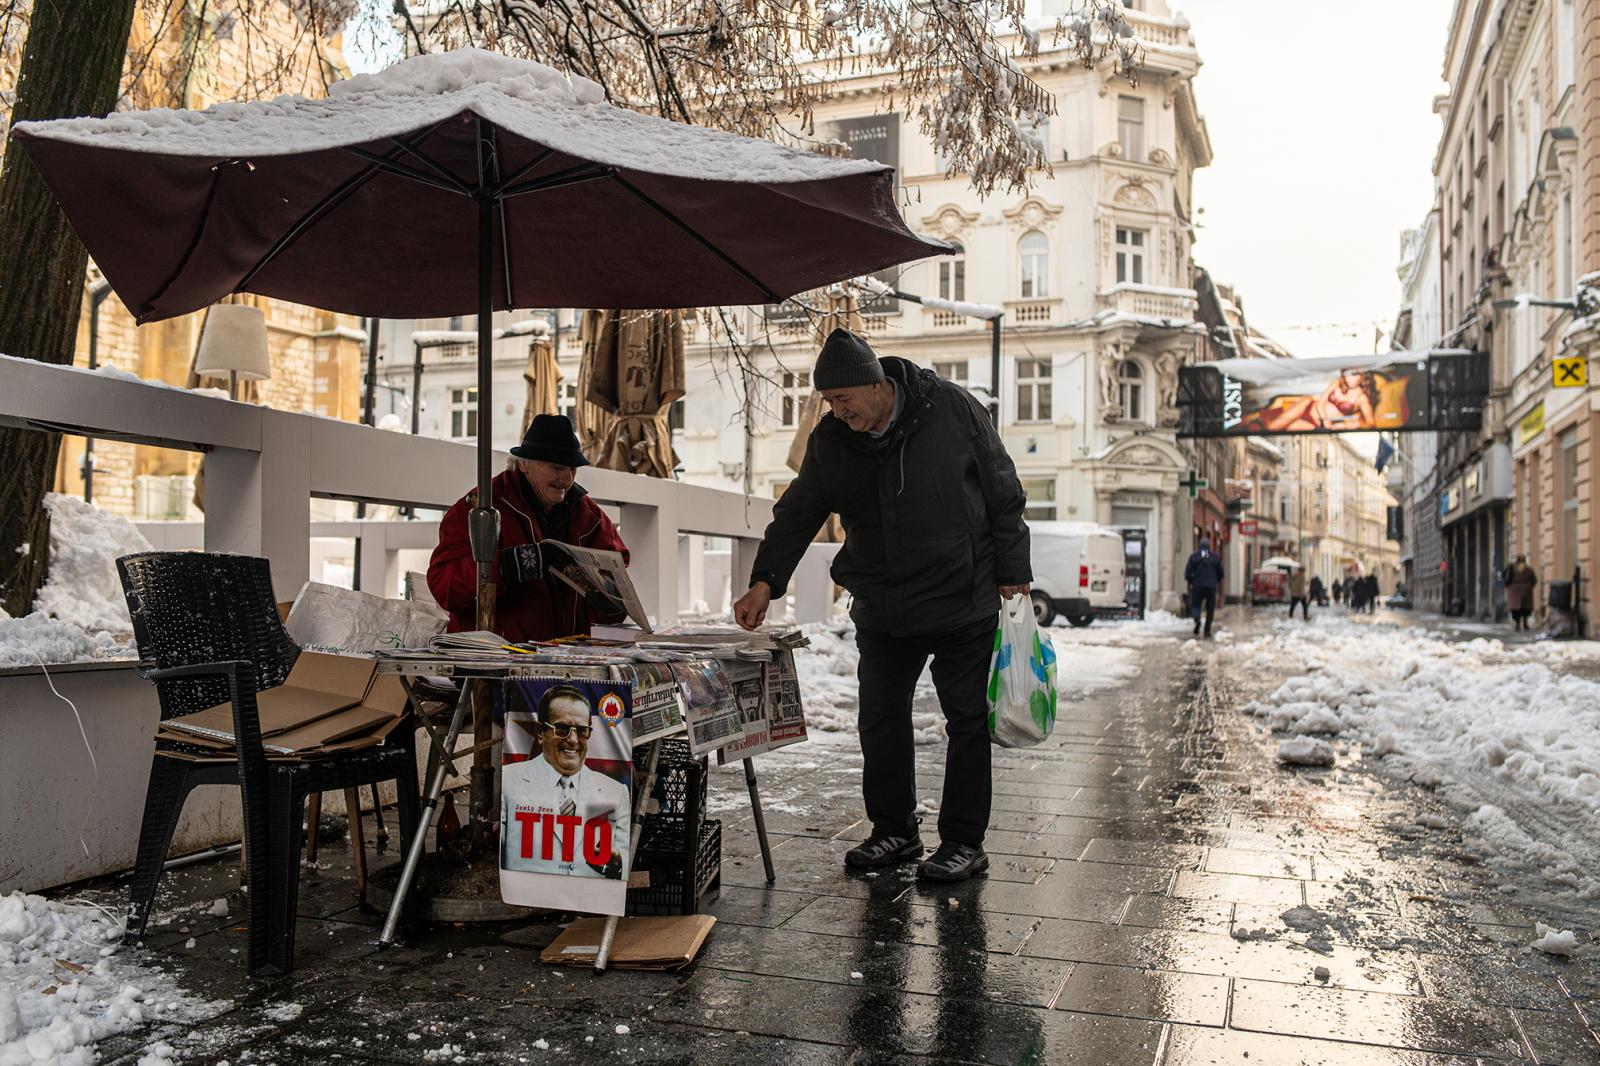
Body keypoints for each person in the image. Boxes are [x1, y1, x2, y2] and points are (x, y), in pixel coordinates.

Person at [730, 328, 1030, 884]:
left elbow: (1004, 492)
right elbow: (799, 511)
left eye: (844, 400)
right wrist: (766, 580)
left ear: (876, 384)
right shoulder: (832, 440)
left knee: (965, 721)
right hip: (884, 603)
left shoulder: (953, 409)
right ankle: (894, 830)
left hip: (960, 597)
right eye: (830, 403)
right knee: (880, 720)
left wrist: (1013, 575)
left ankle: (964, 841)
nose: (838, 412)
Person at [429, 414, 629, 643]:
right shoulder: (482, 507)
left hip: (568, 662)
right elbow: (443, 585)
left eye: (572, 469)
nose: (566, 480)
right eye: (557, 467)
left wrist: (609, 603)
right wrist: (509, 564)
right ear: (524, 464)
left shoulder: (587, 513)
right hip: (497, 663)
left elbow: (619, 563)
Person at [500, 685, 628, 878]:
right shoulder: (509, 782)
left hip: (587, 904)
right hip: (527, 904)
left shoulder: (617, 793)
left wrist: (617, 864)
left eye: (582, 730)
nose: (573, 740)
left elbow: (624, 864)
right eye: (562, 729)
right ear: (541, 733)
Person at [1184, 538, 1224, 637]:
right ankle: (1207, 630)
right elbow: (1221, 574)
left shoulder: (1194, 557)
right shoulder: (1215, 557)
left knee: (1196, 606)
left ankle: (1197, 620)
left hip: (1198, 586)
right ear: (1209, 547)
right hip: (1211, 587)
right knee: (1210, 608)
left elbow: (1187, 573)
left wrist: (1191, 581)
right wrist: (1215, 581)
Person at [1504, 555, 1538, 631]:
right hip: (1526, 590)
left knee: (1516, 609)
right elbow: (1534, 580)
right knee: (1525, 609)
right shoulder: (1528, 569)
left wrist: (1509, 586)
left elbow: (1505, 577)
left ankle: (1517, 624)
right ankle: (1525, 624)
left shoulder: (1512, 568)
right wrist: (1529, 586)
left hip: (1514, 591)